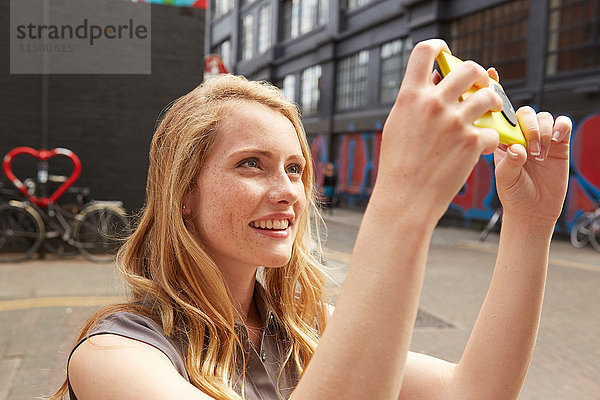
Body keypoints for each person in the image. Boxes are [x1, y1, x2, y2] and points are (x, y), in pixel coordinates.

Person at [51, 39, 572, 400]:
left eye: (296, 168)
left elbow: (474, 391)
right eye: (251, 163)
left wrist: (531, 223)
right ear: (183, 192)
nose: (287, 193)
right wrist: (400, 204)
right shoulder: (114, 356)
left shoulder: (305, 330)